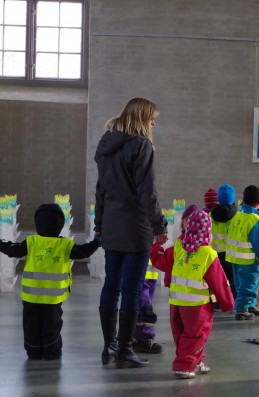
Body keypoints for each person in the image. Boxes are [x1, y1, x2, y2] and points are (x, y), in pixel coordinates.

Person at [94, 97, 168, 369]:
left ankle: (109, 346)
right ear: (141, 117)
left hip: (112, 224)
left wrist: (99, 222)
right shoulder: (141, 145)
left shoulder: (106, 144)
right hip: (136, 227)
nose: (154, 123)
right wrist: (159, 225)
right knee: (132, 289)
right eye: (151, 118)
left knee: (111, 285)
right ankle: (125, 349)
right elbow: (147, 191)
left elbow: (100, 188)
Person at [0, 203, 100, 360]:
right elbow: (83, 252)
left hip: (30, 297)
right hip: (53, 298)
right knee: (52, 325)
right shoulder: (65, 245)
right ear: (60, 225)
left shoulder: (32, 242)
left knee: (31, 325)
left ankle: (33, 352)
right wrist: (97, 241)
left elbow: (13, 249)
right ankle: (52, 352)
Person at [151, 210, 234, 379]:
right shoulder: (208, 254)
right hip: (198, 306)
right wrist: (227, 303)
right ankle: (185, 366)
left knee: (181, 334)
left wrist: (156, 247)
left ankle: (196, 361)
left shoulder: (178, 248)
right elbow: (219, 282)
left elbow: (160, 261)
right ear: (207, 231)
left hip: (176, 303)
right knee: (196, 334)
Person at [133, 205, 198, 354]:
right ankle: (141, 338)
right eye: (188, 220)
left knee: (141, 307)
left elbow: (170, 262)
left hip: (149, 277)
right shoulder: (179, 243)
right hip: (141, 275)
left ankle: (134, 337)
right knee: (143, 307)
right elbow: (169, 261)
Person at [225, 185, 259, 320]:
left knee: (241, 284)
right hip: (249, 260)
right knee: (249, 285)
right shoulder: (254, 220)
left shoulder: (237, 215)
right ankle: (241, 309)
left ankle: (250, 305)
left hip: (235, 258)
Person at [210, 184, 237, 298]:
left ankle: (217, 302)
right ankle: (232, 300)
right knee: (233, 279)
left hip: (214, 254)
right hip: (232, 254)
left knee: (217, 279)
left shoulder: (210, 215)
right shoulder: (237, 216)